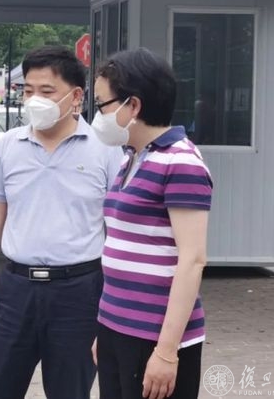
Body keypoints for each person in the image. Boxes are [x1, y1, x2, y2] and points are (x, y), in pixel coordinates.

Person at [0, 46, 123, 399]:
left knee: (70, 391)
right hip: (17, 289)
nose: (35, 99)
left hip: (80, 291)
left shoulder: (104, 148)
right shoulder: (10, 144)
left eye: (47, 91)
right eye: (28, 90)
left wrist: (115, 294)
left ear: (76, 96)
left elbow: (117, 222)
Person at [90, 48, 213, 399]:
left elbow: (192, 260)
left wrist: (166, 351)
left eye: (101, 105)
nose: (97, 116)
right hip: (116, 327)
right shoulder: (132, 158)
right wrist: (106, 329)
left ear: (133, 105)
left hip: (154, 337)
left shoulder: (181, 162)